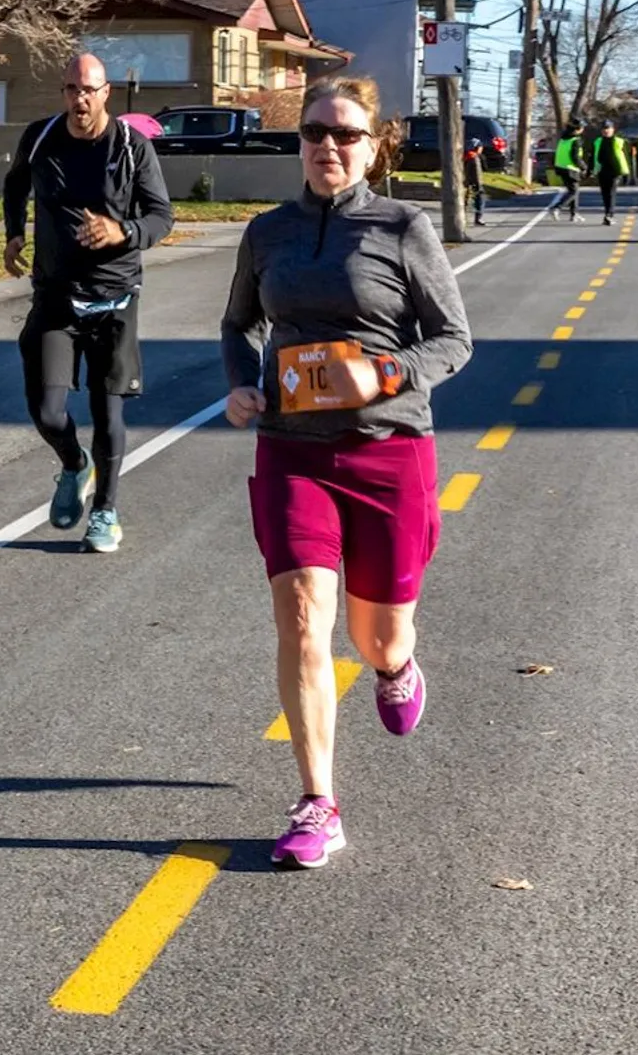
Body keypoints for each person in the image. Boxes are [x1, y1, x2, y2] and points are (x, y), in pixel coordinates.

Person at [220, 75, 473, 869]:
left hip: (388, 450)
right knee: (300, 615)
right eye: (315, 132)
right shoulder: (268, 233)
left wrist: (384, 376)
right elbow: (240, 321)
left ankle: (397, 668)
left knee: (376, 635)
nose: (328, 145)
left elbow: (454, 339)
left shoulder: (403, 226)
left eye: (346, 134)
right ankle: (317, 800)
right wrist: (239, 381)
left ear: (374, 146)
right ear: (300, 142)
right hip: (294, 448)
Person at [2, 53, 174, 553]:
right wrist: (14, 232)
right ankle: (75, 465)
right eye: (72, 89)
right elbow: (15, 183)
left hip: (114, 297)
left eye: (89, 90)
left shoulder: (131, 147)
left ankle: (105, 512)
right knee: (47, 410)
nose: (80, 99)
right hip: (56, 295)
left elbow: (162, 216)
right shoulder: (40, 138)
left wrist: (125, 231)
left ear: (106, 94)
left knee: (107, 413)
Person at [592, 119, 632, 225]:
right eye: (604, 129)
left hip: (615, 171)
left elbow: (626, 158)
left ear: (613, 129)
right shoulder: (597, 141)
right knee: (605, 194)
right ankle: (607, 214)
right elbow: (593, 157)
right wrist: (590, 171)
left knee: (611, 193)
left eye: (608, 128)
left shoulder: (620, 141)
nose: (606, 131)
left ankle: (609, 215)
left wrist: (627, 173)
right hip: (602, 171)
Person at [549, 123, 588, 222]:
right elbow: (575, 157)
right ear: (577, 130)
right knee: (573, 191)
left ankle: (574, 214)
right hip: (570, 168)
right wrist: (584, 167)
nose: (583, 130)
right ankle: (557, 207)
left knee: (573, 190)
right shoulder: (576, 140)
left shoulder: (563, 139)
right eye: (582, 128)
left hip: (560, 167)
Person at [462, 136, 486, 227]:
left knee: (465, 199)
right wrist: (479, 185)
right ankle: (478, 218)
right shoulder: (474, 158)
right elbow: (477, 174)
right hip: (474, 182)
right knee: (479, 197)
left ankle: (463, 217)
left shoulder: (465, 156)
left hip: (465, 182)